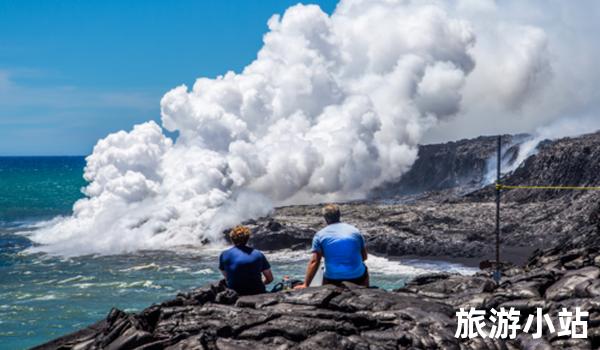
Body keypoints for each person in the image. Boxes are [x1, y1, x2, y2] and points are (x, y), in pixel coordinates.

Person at [295, 204, 369, 289]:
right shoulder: (355, 232)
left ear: (325, 218)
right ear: (339, 215)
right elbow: (364, 257)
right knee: (364, 269)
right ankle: (366, 291)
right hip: (357, 277)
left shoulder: (320, 235)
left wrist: (306, 284)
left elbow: (315, 261)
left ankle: (325, 292)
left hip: (332, 279)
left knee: (325, 271)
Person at [219, 225, 273, 295]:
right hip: (257, 292)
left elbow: (228, 277)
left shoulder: (224, 254)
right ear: (247, 239)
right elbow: (270, 278)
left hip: (235, 294)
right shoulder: (258, 254)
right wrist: (262, 284)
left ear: (232, 239)